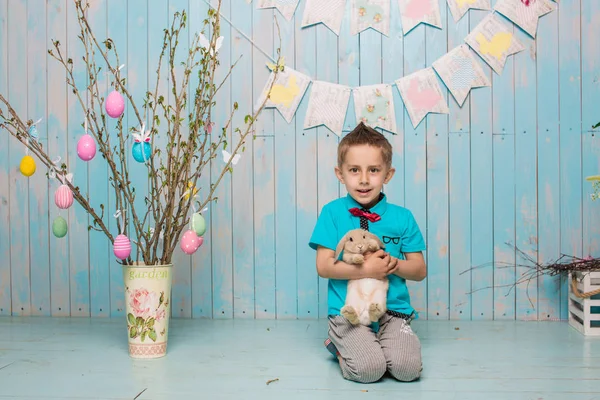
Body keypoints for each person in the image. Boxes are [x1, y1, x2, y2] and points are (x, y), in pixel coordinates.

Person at [308, 121, 426, 384]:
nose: (363, 179)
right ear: (340, 174)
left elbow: (419, 270)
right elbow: (324, 266)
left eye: (373, 170)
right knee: (370, 370)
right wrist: (367, 269)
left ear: (388, 174)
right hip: (348, 312)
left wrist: (393, 264)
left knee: (407, 371)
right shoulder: (332, 213)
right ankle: (340, 344)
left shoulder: (402, 217)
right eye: (354, 170)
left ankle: (387, 341)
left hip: (392, 312)